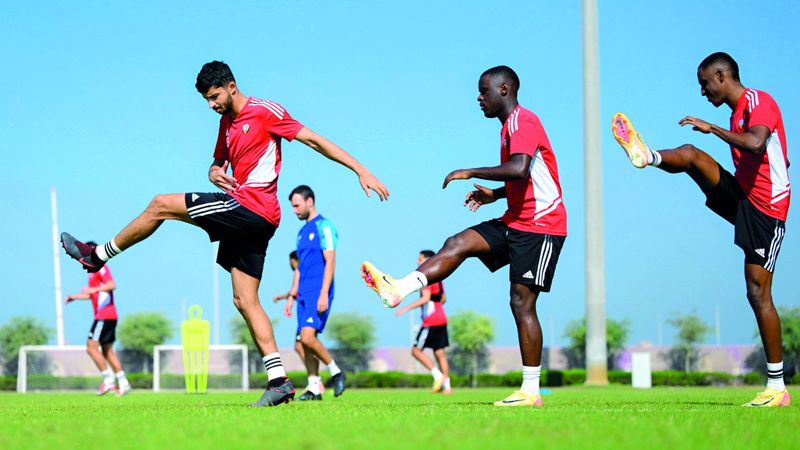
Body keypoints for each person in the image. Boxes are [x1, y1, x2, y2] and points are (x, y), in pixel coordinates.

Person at [60, 60, 389, 407]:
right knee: (245, 300)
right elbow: (217, 164)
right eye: (206, 99)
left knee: (160, 204)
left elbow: (314, 141)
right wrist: (214, 172)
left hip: (252, 208)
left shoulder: (266, 112)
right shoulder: (225, 123)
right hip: (250, 214)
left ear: (231, 86)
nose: (211, 104)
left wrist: (360, 170)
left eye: (214, 96)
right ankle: (279, 381)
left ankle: (96, 256)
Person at [362, 66, 567, 407]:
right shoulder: (508, 127)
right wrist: (496, 195)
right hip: (515, 219)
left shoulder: (523, 121)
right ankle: (398, 289)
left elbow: (520, 168)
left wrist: (470, 171)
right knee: (458, 243)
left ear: (504, 89)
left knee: (522, 303)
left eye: (484, 91)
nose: (479, 97)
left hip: (542, 225)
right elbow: (526, 176)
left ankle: (531, 391)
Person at [612, 52, 790, 408]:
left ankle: (777, 388)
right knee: (692, 155)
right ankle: (647, 155)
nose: (703, 91)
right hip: (743, 196)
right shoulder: (735, 113)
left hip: (767, 210)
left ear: (722, 76)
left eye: (705, 84)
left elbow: (756, 142)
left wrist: (714, 129)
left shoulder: (759, 102)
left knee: (757, 293)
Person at [281, 185, 346, 400]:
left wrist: (324, 293)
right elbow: (299, 268)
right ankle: (314, 387)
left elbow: (331, 261)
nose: (294, 210)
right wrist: (292, 296)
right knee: (300, 344)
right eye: (292, 207)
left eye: (297, 205)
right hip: (303, 293)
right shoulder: (301, 233)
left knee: (308, 338)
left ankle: (336, 372)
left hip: (318, 291)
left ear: (310, 202)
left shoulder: (324, 226)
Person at [65, 252, 131, 396]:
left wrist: (93, 289)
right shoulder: (92, 273)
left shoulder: (101, 267)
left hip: (104, 315)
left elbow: (112, 284)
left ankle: (108, 381)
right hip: (110, 316)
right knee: (107, 351)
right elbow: (92, 295)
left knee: (91, 347)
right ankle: (124, 383)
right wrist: (74, 297)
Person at [394, 250, 452, 394]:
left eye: (420, 259)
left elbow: (425, 298)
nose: (417, 262)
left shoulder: (427, 277)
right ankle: (447, 387)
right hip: (441, 318)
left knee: (415, 351)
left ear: (428, 261)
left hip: (431, 320)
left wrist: (406, 308)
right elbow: (443, 299)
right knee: (440, 353)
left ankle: (438, 376)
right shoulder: (439, 277)